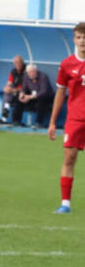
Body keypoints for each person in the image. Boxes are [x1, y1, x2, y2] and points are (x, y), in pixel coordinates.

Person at [47, 22, 85, 214]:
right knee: (69, 158)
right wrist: (53, 122)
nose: (82, 41)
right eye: (79, 37)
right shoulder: (67, 64)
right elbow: (60, 93)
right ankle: (65, 204)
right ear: (74, 39)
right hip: (75, 119)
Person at [0, 55, 26, 124]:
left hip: (24, 92)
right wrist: (6, 88)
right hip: (14, 92)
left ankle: (15, 121)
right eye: (16, 63)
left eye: (19, 62)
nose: (17, 64)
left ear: (22, 63)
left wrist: (13, 90)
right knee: (7, 96)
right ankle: (4, 119)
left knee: (13, 97)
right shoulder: (13, 71)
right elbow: (9, 83)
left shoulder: (26, 71)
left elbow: (26, 87)